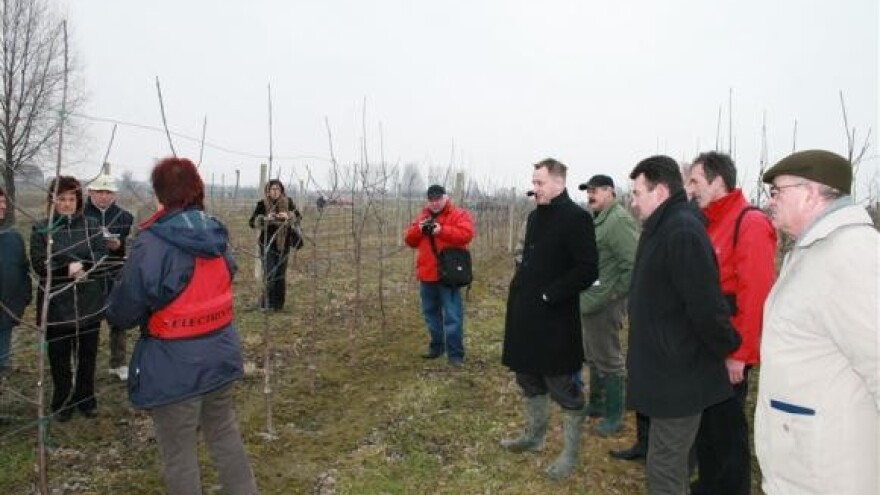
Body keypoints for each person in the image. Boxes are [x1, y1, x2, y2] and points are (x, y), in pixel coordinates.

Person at [107, 157, 258, 495]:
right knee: (224, 432)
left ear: (160, 193)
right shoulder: (214, 231)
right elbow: (227, 272)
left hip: (174, 363)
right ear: (197, 189)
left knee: (179, 452)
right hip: (219, 352)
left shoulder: (152, 242)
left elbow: (124, 311)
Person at [755, 149, 878, 494]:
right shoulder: (815, 249)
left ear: (811, 193)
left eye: (778, 191)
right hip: (805, 459)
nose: (771, 200)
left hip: (831, 468)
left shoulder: (851, 254)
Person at [626, 155, 740, 494]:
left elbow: (706, 306)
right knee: (673, 462)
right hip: (666, 369)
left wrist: (729, 348)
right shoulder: (663, 227)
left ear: (659, 191)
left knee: (664, 468)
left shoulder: (682, 231)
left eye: (637, 193)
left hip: (678, 374)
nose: (632, 202)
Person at [500, 158, 598, 481]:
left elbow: (587, 269)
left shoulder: (577, 219)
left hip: (555, 319)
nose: (535, 188)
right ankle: (535, 435)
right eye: (534, 181)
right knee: (528, 376)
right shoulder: (533, 217)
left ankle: (570, 453)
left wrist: (551, 294)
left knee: (563, 386)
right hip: (526, 316)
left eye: (540, 183)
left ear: (559, 182)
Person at [687, 151, 777, 494]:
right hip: (709, 340)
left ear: (718, 181)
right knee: (707, 419)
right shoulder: (708, 221)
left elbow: (756, 295)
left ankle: (732, 488)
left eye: (695, 181)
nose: (690, 189)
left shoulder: (749, 222)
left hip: (730, 343)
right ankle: (710, 483)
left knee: (726, 424)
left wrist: (739, 352)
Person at [30, 176, 107, 422]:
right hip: (57, 305)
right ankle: (62, 401)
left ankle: (86, 399)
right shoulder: (42, 228)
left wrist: (84, 265)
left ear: (79, 201)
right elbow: (39, 262)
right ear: (52, 200)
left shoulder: (92, 225)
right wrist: (66, 269)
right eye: (61, 199)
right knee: (60, 357)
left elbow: (101, 255)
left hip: (88, 301)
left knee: (87, 355)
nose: (67, 204)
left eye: (71, 199)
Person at [577, 175, 638, 437]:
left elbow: (633, 263)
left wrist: (614, 295)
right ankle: (597, 404)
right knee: (593, 354)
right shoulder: (600, 218)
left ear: (610, 191)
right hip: (592, 299)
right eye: (587, 191)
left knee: (609, 358)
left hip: (605, 302)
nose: (590, 195)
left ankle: (614, 415)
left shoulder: (618, 221)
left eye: (595, 191)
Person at [404, 184, 475, 366]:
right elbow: (409, 241)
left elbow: (466, 234)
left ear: (445, 197)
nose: (435, 203)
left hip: (449, 275)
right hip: (427, 275)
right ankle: (437, 347)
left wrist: (441, 230)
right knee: (430, 314)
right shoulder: (423, 216)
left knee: (453, 316)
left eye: (438, 199)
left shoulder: (459, 214)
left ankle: (455, 355)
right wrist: (419, 229)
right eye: (431, 199)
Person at [84, 173, 134, 381]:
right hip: (89, 275)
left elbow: (130, 245)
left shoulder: (125, 217)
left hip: (115, 273)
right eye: (99, 192)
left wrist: (119, 245)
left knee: (118, 319)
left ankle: (119, 362)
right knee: (88, 322)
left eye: (108, 192)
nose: (103, 197)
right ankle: (85, 364)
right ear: (90, 193)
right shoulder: (81, 215)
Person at [248, 179, 302, 311]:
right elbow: (252, 222)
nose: (275, 191)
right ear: (268, 191)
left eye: (277, 189)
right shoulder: (262, 204)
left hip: (283, 244)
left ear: (281, 190)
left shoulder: (288, 202)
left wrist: (289, 216)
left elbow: (298, 217)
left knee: (280, 275)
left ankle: (278, 305)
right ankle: (266, 304)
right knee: (270, 273)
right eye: (272, 189)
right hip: (267, 244)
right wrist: (265, 219)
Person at [0, 186, 31, 377]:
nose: (3, 207)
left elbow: (23, 270)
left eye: (4, 202)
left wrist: (23, 298)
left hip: (7, 313)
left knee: (2, 359)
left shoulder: (14, 238)